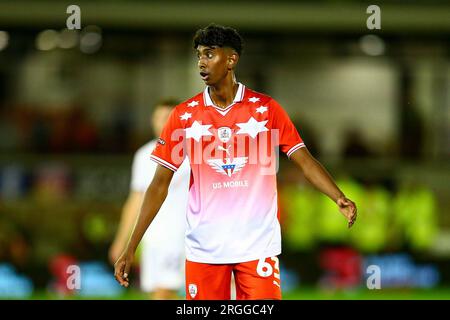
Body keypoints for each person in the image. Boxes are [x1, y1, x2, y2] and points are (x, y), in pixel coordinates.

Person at [114, 24, 357, 300]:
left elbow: (303, 159)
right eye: (199, 56)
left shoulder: (266, 110)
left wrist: (338, 196)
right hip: (204, 249)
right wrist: (131, 246)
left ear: (231, 60)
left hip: (257, 248)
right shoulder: (183, 116)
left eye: (209, 55)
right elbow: (158, 185)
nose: (201, 63)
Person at [110, 99, 190, 299]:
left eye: (169, 118)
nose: (164, 123)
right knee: (161, 291)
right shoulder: (144, 156)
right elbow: (135, 201)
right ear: (152, 121)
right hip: (157, 237)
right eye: (160, 118)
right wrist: (122, 241)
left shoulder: (195, 154)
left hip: (189, 234)